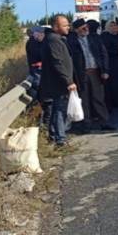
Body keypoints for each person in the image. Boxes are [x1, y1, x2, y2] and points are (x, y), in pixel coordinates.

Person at [68, 18, 114, 131]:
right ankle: (86, 124)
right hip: (81, 73)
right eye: (83, 28)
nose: (86, 29)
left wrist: (105, 71)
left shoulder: (94, 38)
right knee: (84, 99)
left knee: (98, 98)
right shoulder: (71, 41)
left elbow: (103, 54)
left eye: (86, 27)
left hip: (95, 72)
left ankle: (104, 122)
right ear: (77, 30)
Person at [40, 15, 77, 147]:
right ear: (56, 27)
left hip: (57, 82)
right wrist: (68, 81)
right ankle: (60, 138)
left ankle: (55, 136)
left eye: (68, 24)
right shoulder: (54, 40)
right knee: (59, 110)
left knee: (57, 110)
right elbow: (58, 62)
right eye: (65, 25)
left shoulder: (56, 39)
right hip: (57, 83)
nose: (68, 27)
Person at [101, 21, 118, 107]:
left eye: (115, 25)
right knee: (113, 83)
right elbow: (105, 50)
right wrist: (117, 52)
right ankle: (113, 101)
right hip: (111, 63)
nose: (114, 27)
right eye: (112, 26)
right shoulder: (105, 37)